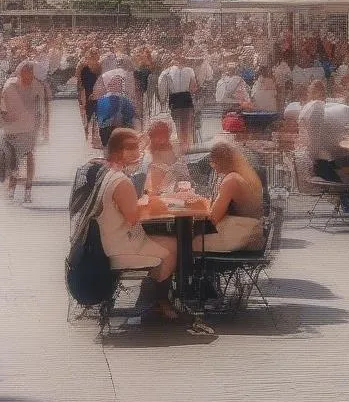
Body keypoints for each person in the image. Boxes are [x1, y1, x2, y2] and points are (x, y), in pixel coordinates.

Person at [94, 128, 179, 320]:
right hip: (121, 244)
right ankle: (159, 299)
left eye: (136, 147)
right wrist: (154, 202)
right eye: (130, 148)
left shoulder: (110, 174)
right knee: (173, 249)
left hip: (114, 238)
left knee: (171, 242)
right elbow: (133, 218)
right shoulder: (121, 181)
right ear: (116, 152)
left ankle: (154, 295)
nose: (136, 151)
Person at [198, 138, 265, 252]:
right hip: (250, 233)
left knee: (184, 244)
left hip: (238, 236)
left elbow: (214, 218)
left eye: (213, 161)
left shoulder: (231, 180)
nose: (212, 165)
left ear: (220, 161)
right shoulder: (242, 176)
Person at [0, 61, 47, 202]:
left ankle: (28, 189)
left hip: (29, 126)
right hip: (13, 127)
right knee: (14, 158)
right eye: (26, 74)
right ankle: (12, 187)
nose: (29, 77)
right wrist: (5, 118)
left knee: (29, 154)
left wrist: (41, 125)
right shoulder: (10, 86)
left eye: (31, 74)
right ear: (19, 74)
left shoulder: (37, 86)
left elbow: (41, 107)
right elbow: (3, 108)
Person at [158, 54, 199, 152]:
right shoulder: (190, 70)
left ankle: (182, 147)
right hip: (186, 98)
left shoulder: (167, 72)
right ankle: (188, 147)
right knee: (187, 124)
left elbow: (162, 87)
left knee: (178, 124)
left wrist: (163, 100)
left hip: (174, 99)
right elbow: (193, 88)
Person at [142, 120, 190, 196]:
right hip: (152, 194)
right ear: (152, 137)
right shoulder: (146, 154)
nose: (161, 140)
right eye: (158, 137)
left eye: (163, 136)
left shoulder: (175, 150)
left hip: (175, 194)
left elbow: (184, 174)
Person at [93, 75, 137, 149]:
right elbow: (130, 116)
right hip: (116, 130)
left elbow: (97, 116)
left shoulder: (101, 100)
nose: (112, 85)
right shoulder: (124, 100)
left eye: (115, 84)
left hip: (106, 130)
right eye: (112, 83)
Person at [76, 49, 102, 137]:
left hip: (97, 93)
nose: (94, 59)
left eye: (95, 57)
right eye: (91, 57)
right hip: (86, 93)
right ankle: (86, 134)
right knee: (87, 115)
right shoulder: (84, 69)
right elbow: (81, 86)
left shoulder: (100, 68)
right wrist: (82, 102)